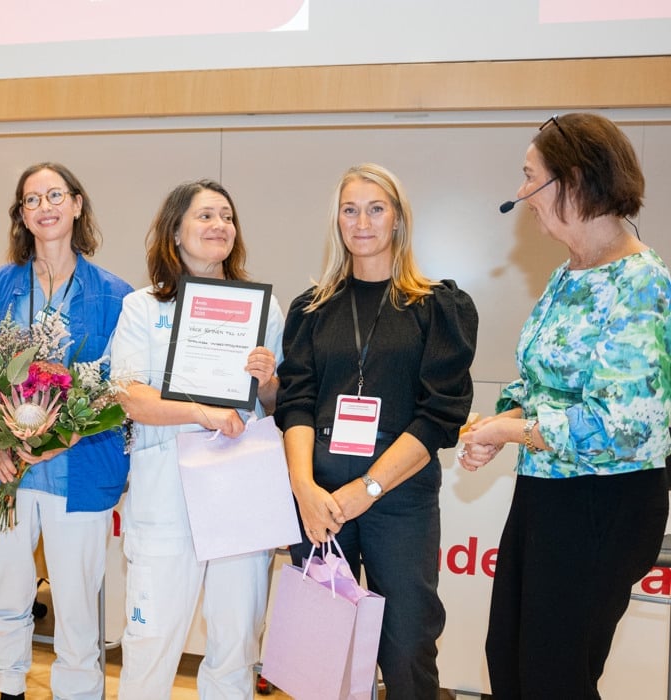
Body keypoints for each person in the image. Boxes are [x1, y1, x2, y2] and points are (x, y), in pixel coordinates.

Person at [459, 113, 670, 699]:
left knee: (556, 679)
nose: (522, 196)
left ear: (572, 181)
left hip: (604, 502)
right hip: (545, 492)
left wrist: (515, 431)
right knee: (510, 662)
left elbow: (627, 424)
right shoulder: (567, 273)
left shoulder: (640, 282)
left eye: (530, 178)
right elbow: (538, 380)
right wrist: (499, 421)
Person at [275, 163, 477, 698]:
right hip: (319, 502)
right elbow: (294, 404)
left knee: (407, 644)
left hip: (398, 500)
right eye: (350, 209)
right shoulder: (312, 309)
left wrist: (366, 489)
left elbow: (438, 417)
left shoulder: (437, 307)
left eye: (375, 208)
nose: (361, 221)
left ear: (398, 220)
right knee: (323, 651)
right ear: (337, 221)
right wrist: (305, 490)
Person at [110, 179, 283, 699]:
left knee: (236, 645)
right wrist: (201, 413)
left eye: (227, 217)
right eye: (205, 216)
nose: (220, 226)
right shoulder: (142, 308)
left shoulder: (263, 310)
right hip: (166, 495)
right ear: (176, 232)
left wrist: (269, 377)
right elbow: (131, 398)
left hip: (239, 490)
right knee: (151, 641)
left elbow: (272, 404)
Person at [0, 163, 132, 700]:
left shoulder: (116, 295)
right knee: (7, 594)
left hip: (78, 470)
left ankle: (78, 693)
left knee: (78, 604)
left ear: (78, 204)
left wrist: (64, 436)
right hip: (5, 473)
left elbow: (118, 390)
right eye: (31, 199)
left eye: (55, 195)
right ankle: (10, 686)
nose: (45, 206)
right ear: (21, 215)